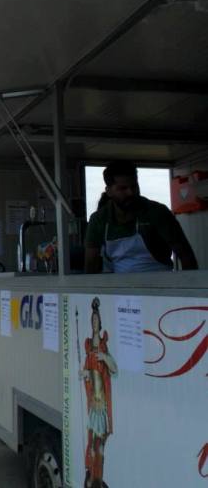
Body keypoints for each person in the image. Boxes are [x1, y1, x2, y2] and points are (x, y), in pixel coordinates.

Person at [85, 160, 198, 274]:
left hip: (161, 280)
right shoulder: (98, 219)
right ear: (109, 191)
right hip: (119, 283)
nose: (131, 192)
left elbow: (186, 255)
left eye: (134, 186)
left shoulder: (157, 212)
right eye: (123, 188)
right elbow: (91, 263)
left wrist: (191, 282)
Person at [78, 298, 117, 488]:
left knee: (99, 446)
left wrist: (105, 358)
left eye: (96, 320)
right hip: (93, 403)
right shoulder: (88, 347)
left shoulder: (102, 346)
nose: (94, 323)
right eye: (92, 320)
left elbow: (114, 369)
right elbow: (86, 372)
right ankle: (92, 477)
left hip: (102, 405)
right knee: (93, 445)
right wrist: (84, 374)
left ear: (100, 323)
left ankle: (97, 480)